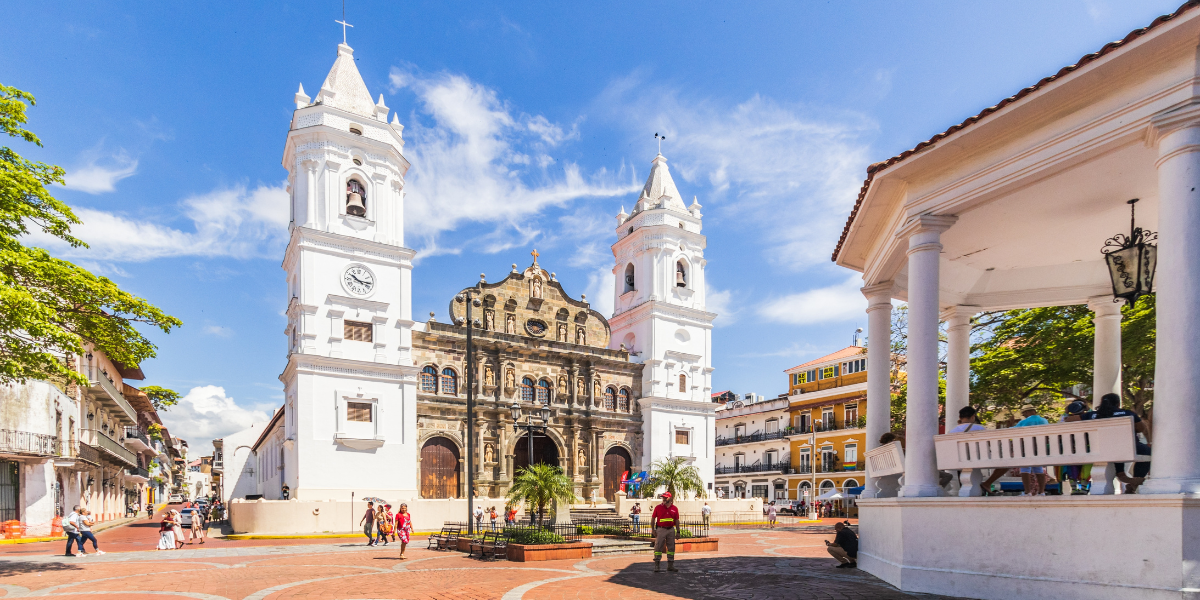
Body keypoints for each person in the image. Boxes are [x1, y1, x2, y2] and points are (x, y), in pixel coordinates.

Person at [1086, 393, 1152, 493]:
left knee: (1114, 447)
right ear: (1118, 403)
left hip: (1100, 449)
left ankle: (1122, 475)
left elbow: (1069, 419)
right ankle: (1134, 481)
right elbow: (1140, 428)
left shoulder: (1091, 415)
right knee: (1148, 452)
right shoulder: (1127, 413)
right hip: (1125, 448)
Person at [1013, 403, 1050, 495]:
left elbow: (1013, 431)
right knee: (1039, 469)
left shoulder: (1024, 422)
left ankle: (1027, 492)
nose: (1024, 416)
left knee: (1025, 469)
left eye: (1024, 413)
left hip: (1027, 448)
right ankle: (1041, 492)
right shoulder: (1044, 420)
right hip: (1041, 449)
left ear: (1028, 412)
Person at [650, 492, 680, 573]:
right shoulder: (658, 507)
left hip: (671, 530)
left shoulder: (675, 509)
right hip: (661, 529)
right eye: (663, 497)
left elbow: (677, 520)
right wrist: (653, 529)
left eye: (666, 497)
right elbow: (653, 519)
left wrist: (678, 531)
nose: (664, 499)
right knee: (658, 547)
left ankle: (670, 565)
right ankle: (657, 565)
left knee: (671, 548)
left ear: (670, 498)